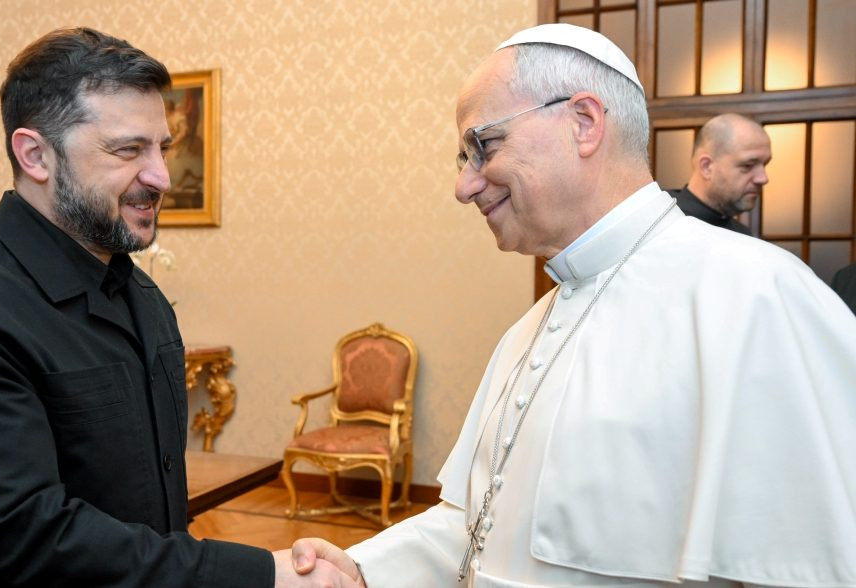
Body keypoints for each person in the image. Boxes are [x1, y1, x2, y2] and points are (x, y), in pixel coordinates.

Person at [294, 23, 856, 587]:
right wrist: (364, 570)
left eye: (482, 147)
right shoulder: (528, 330)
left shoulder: (759, 296)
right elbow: (478, 528)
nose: (464, 186)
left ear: (583, 123)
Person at [0, 27, 355, 588]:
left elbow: (149, 506)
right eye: (128, 149)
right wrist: (257, 576)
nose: (161, 177)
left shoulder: (142, 297)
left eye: (162, 148)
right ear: (35, 154)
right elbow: (29, 541)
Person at [668, 113, 771, 235]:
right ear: (707, 167)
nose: (763, 178)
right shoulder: (659, 222)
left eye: (765, 164)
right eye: (747, 165)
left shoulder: (742, 235)